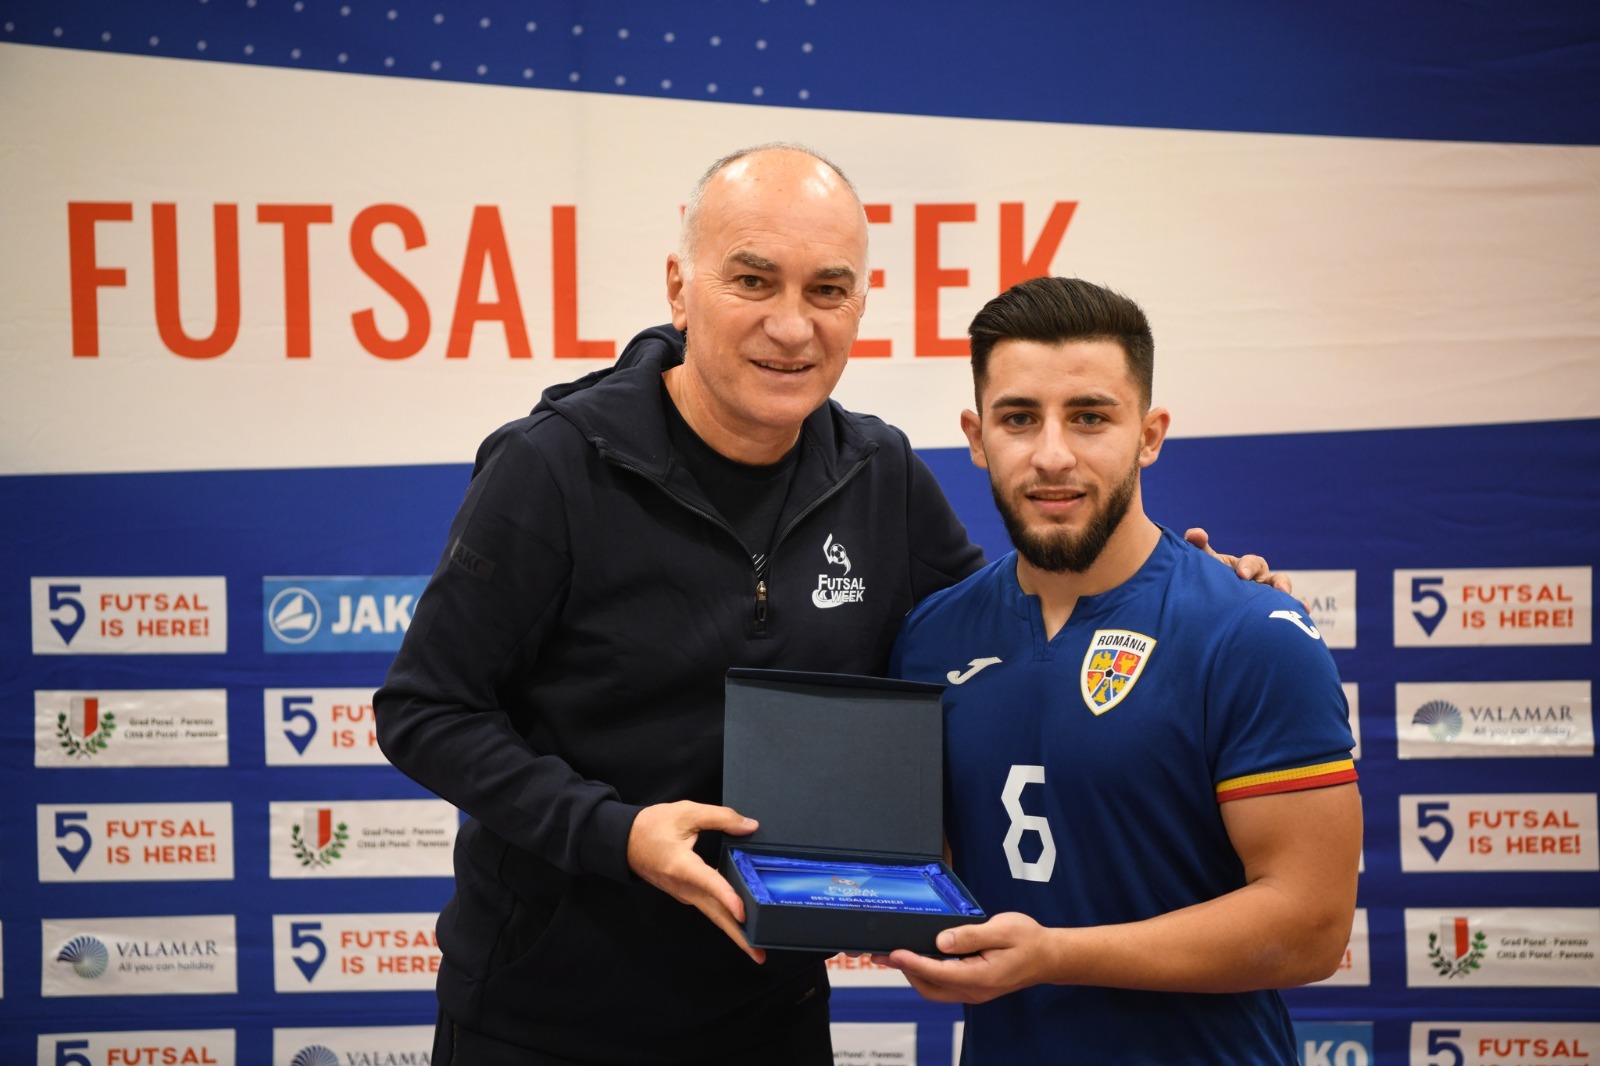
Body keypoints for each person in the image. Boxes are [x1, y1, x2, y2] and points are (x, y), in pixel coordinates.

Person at [375, 146, 1284, 1065]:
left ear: (859, 305)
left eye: (827, 290)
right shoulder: (553, 467)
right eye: (753, 280)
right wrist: (619, 833)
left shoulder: (879, 474)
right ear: (680, 289)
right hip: (543, 1022)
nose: (791, 326)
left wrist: (1189, 587)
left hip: (773, 1014)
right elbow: (426, 710)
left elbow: (1000, 631)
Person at [883, 276, 1362, 1064]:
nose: (1052, 455)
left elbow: (1312, 926)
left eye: (1090, 417)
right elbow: (908, 866)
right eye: (1018, 418)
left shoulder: (1250, 631)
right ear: (976, 436)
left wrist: (1056, 955)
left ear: (1149, 433)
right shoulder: (930, 637)